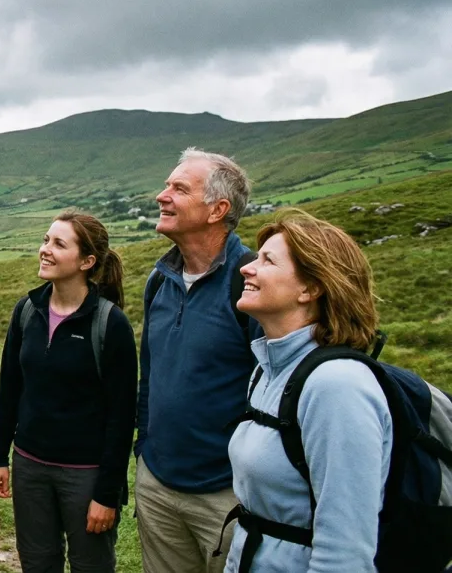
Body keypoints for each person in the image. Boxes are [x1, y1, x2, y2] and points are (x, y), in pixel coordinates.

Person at [222, 209, 392, 572]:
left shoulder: (337, 387)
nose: (246, 268)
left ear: (311, 288)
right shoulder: (268, 368)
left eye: (267, 260)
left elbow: (345, 552)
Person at [0, 211, 138, 573]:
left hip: (85, 474)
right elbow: (10, 386)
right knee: (38, 564)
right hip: (29, 467)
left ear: (87, 261)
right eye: (45, 240)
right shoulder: (27, 310)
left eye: (58, 243)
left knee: (91, 566)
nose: (45, 250)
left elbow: (122, 417)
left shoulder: (110, 323)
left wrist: (106, 494)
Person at [136, 148, 259, 573]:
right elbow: (148, 376)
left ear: (217, 209)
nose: (161, 195)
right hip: (157, 480)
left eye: (179, 188)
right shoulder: (159, 280)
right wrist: (144, 450)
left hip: (226, 492)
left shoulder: (250, 286)